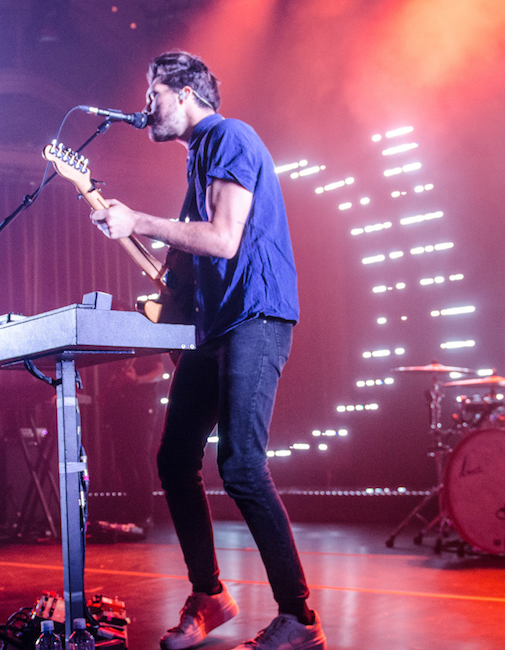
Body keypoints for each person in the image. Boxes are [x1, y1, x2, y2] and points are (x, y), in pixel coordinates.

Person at [90, 51, 325, 650]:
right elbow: (192, 263)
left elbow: (222, 240)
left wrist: (138, 219)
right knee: (174, 458)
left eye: (155, 94)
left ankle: (299, 618)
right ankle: (211, 596)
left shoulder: (229, 137)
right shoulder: (200, 159)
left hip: (257, 317)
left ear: (187, 93)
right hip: (215, 327)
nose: (146, 108)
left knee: (242, 465)